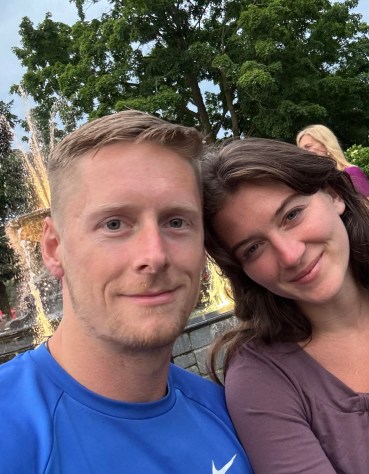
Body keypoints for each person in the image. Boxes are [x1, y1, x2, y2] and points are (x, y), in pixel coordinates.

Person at [202, 138, 369, 473]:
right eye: (254, 248)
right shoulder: (261, 379)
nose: (290, 255)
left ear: (334, 195)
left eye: (292, 215)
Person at [0, 111, 251, 474]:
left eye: (176, 222)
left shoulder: (231, 415)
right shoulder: (10, 429)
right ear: (54, 248)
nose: (155, 255)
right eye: (114, 224)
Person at [296, 124, 369, 201]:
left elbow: (368, 207)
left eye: (308, 146)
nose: (303, 153)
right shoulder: (311, 181)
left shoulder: (351, 172)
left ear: (325, 144)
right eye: (301, 150)